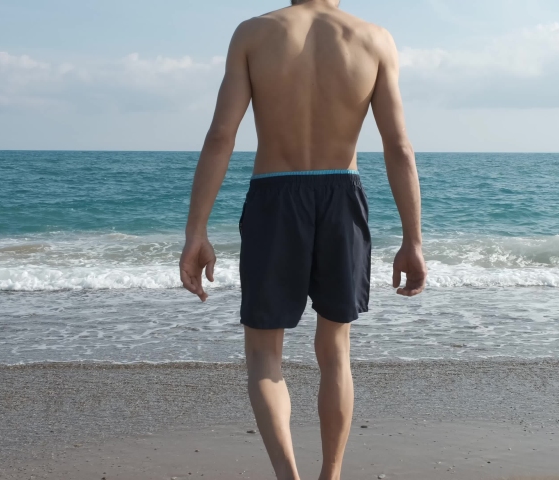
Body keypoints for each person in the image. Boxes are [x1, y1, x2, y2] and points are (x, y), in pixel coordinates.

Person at [179, 0, 426, 478]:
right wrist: (413, 238)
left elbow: (220, 136)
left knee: (263, 352)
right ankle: (329, 475)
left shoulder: (254, 34)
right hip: (342, 196)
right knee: (335, 351)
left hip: (275, 195)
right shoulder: (373, 38)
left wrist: (197, 231)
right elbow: (398, 145)